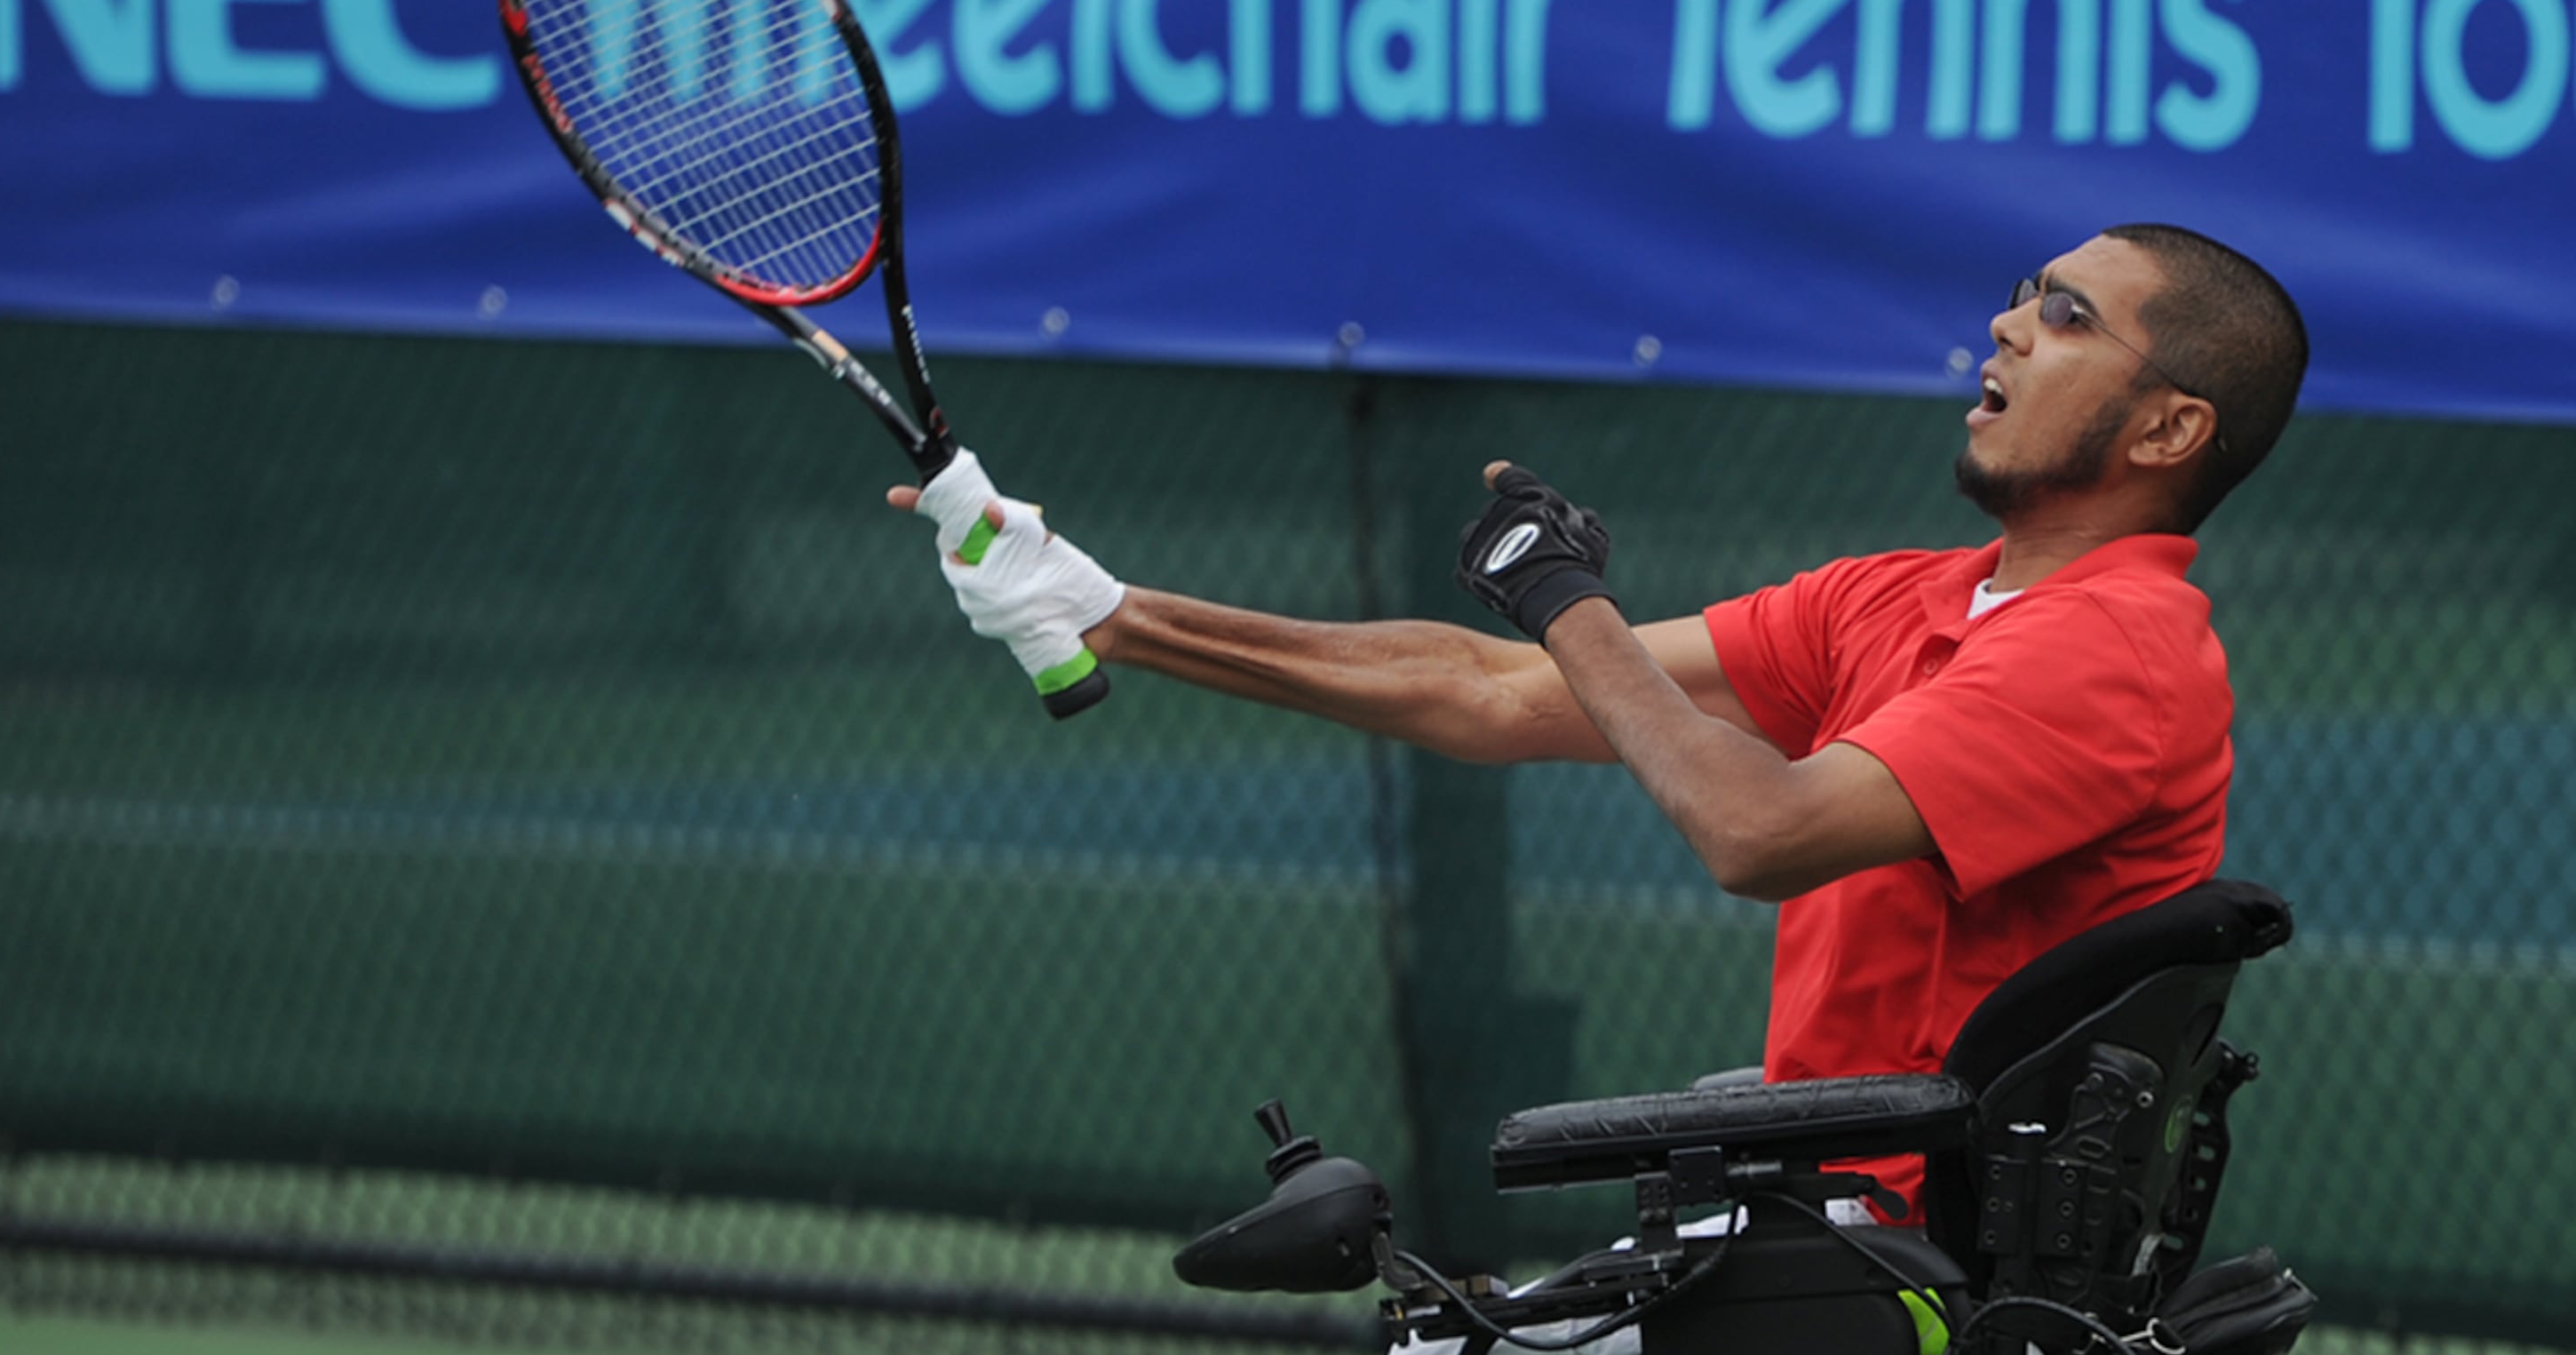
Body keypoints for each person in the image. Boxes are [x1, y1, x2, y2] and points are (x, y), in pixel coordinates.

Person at [892, 221, 2308, 1202]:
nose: (2007, 322)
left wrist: (1563, 597)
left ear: (2170, 428)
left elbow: (1758, 828)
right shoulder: (1910, 598)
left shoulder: (2116, 650)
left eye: (2067, 316)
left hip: (1915, 1250)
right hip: (1836, 1196)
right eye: (2026, 291)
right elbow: (1498, 690)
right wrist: (1117, 612)